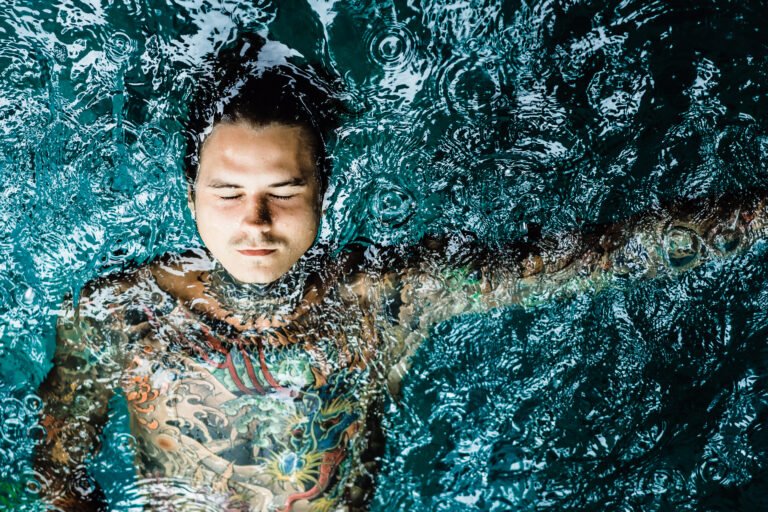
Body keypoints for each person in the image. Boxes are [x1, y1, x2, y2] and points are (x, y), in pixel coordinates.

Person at [33, 36, 768, 512]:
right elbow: (58, 475)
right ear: (189, 190)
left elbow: (594, 259)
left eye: (283, 193)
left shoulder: (388, 299)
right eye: (228, 193)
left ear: (325, 189)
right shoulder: (119, 315)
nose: (254, 223)